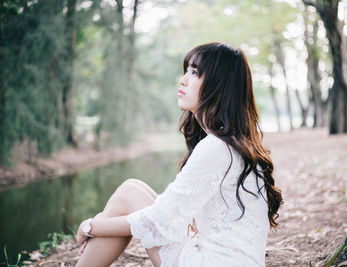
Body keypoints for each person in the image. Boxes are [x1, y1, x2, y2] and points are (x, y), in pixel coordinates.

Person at [75, 42, 283, 267]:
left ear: (218, 85)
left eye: (194, 73)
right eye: (186, 71)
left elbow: (157, 220)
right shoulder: (230, 145)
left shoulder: (218, 148)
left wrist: (90, 226)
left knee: (129, 195)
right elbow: (167, 213)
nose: (183, 80)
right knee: (134, 189)